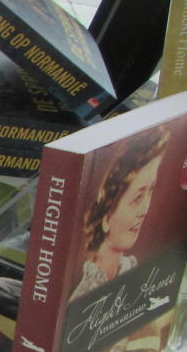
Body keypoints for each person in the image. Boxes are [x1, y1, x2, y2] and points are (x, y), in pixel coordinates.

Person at [71, 128, 167, 299]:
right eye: (137, 198)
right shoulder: (84, 296)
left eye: (151, 191)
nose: (145, 210)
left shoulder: (131, 270)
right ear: (107, 217)